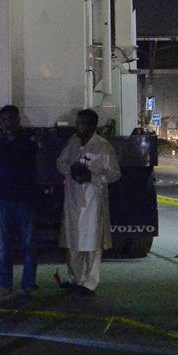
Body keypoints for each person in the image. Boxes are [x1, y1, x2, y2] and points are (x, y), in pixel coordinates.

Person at [56, 109, 121, 296]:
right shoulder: (73, 143)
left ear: (92, 125)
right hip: (73, 199)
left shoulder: (102, 146)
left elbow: (114, 173)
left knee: (92, 243)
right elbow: (60, 162)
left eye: (82, 123)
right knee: (73, 240)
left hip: (93, 200)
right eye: (77, 123)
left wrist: (91, 177)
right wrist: (71, 169)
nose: (78, 126)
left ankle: (89, 282)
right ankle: (75, 278)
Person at [0, 105, 39, 299]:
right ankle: (4, 284)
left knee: (29, 243)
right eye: (4, 118)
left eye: (11, 118)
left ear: (18, 119)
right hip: (4, 198)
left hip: (25, 198)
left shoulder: (28, 141)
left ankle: (29, 284)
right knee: (3, 245)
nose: (8, 121)